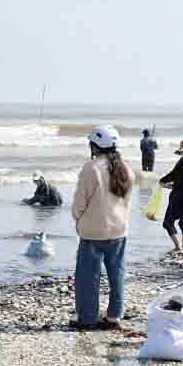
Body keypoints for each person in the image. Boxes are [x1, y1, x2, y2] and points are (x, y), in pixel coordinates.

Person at [70, 125, 134, 330]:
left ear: (94, 145)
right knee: (117, 274)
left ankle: (88, 318)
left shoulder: (91, 168)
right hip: (119, 230)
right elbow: (127, 202)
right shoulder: (126, 168)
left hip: (93, 231)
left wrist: (79, 220)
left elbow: (80, 202)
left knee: (88, 277)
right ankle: (114, 316)